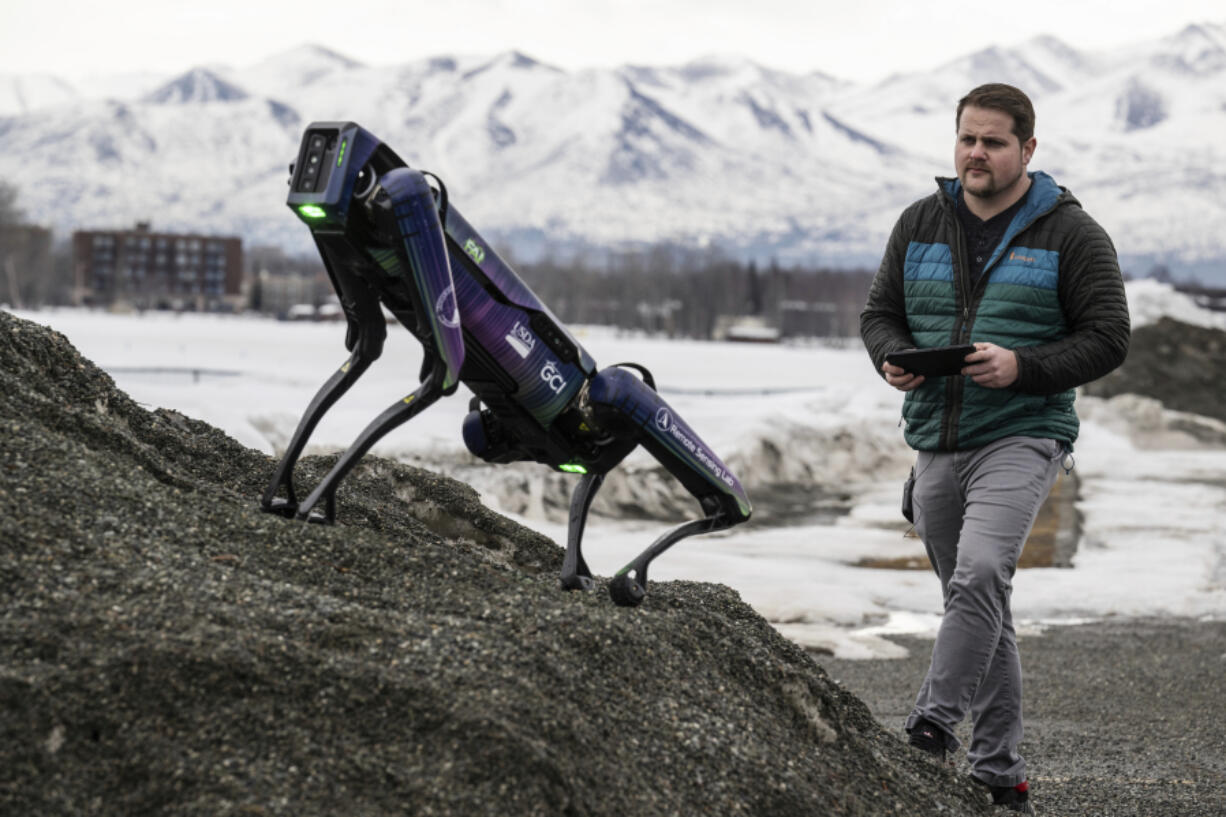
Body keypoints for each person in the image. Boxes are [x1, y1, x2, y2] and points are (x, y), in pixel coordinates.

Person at [859, 83, 1130, 814]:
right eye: (967, 139)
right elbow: (880, 313)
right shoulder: (920, 221)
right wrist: (893, 356)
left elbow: (1109, 337)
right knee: (981, 604)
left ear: (1027, 150)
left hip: (1023, 431)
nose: (977, 153)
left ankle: (931, 726)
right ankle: (999, 771)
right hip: (936, 436)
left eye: (994, 141)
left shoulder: (1072, 234)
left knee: (979, 574)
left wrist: (1024, 367)